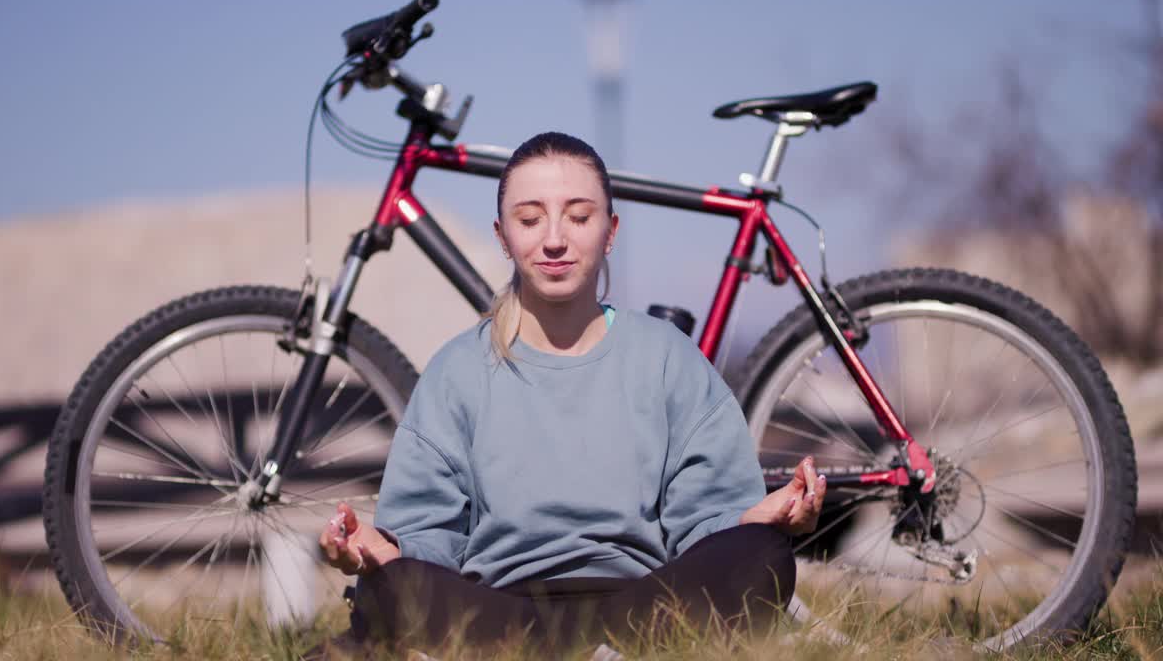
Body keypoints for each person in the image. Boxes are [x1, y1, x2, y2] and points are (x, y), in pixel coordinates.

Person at [311, 131, 825, 658]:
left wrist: (758, 519)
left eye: (579, 217)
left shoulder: (665, 355)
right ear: (503, 236)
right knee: (387, 590)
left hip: (645, 602)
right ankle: (588, 651)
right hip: (499, 610)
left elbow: (707, 520)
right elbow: (428, 533)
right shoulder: (457, 370)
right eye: (530, 220)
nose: (554, 240)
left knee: (761, 555)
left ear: (610, 232)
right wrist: (385, 550)